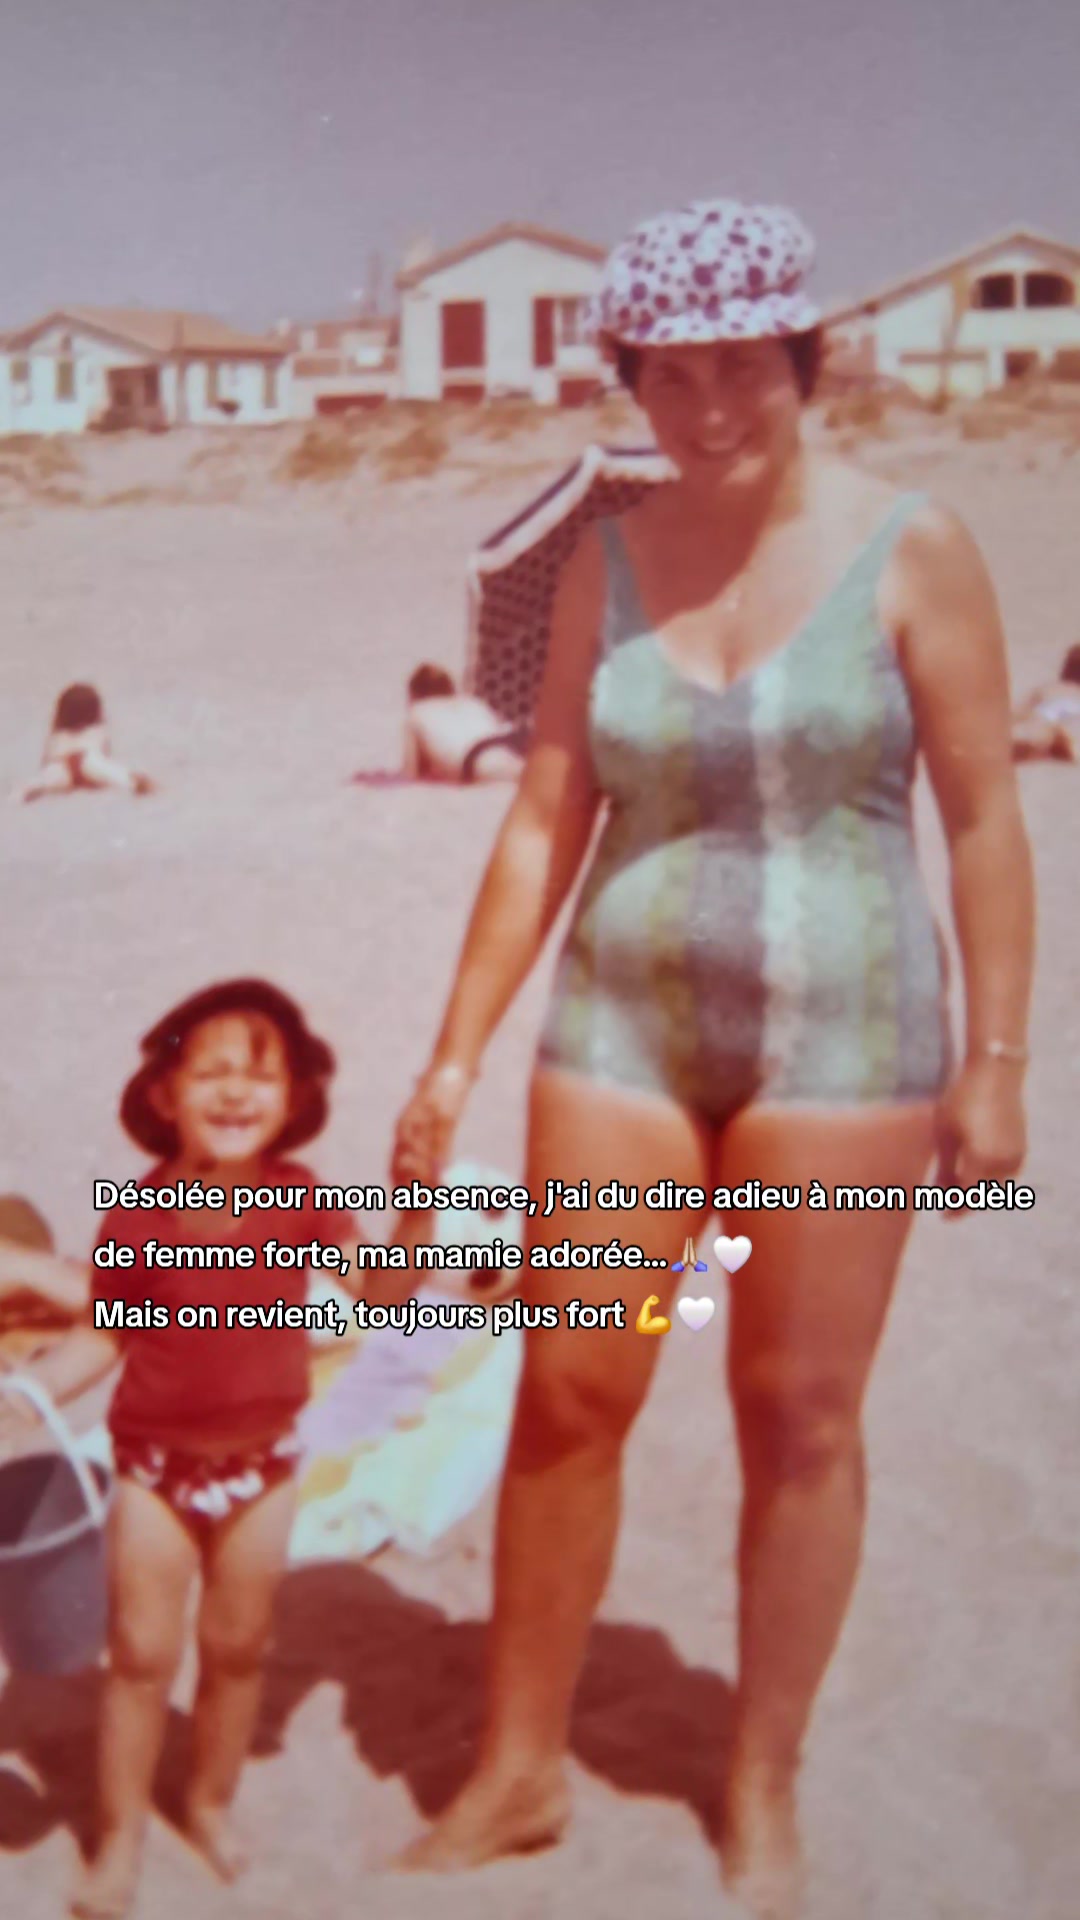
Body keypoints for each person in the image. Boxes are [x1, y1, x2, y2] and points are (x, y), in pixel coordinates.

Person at [389, 199, 1034, 1916]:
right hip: (623, 1024)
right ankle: (520, 1768)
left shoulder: (916, 548)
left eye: (741, 364)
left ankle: (761, 1784)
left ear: (804, 358)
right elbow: (545, 816)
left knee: (799, 1415)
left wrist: (997, 1059)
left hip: (851, 1041)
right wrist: (451, 1057)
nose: (707, 407)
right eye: (668, 376)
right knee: (568, 1390)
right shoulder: (602, 562)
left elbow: (985, 819)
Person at [0, 978, 416, 1920]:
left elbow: (384, 1293)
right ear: (164, 1094)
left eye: (260, 1078)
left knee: (236, 1651)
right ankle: (119, 1839)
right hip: (154, 1470)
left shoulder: (304, 1203)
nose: (235, 1093)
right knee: (141, 1658)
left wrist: (415, 1206)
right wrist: (32, 1391)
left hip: (261, 1468)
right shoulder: (138, 1215)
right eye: (211, 1074)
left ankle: (208, 1804)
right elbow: (106, 1331)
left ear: (294, 1098)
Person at [13, 684, 155, 802]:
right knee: (138, 784)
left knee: (25, 792)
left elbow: (46, 763)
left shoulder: (57, 736)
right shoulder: (98, 730)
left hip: (60, 767)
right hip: (91, 763)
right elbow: (105, 753)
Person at [403, 663, 527, 783]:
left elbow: (411, 773)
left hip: (478, 758)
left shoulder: (417, 712)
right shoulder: (473, 702)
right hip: (509, 740)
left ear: (413, 693)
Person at [1010, 643, 1080, 761]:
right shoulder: (1059, 690)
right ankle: (1062, 742)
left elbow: (1019, 710)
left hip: (1047, 715)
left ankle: (1031, 740)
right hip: (1063, 718)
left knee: (1038, 726)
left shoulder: (1051, 688)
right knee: (1050, 728)